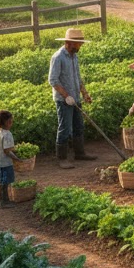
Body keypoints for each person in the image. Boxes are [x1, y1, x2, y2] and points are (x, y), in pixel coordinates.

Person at [48, 27, 96, 169]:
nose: (80, 46)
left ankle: (79, 153)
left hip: (76, 98)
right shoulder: (58, 57)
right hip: (64, 100)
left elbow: (77, 78)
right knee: (64, 128)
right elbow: (53, 80)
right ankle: (62, 158)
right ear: (69, 42)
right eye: (78, 43)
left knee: (78, 126)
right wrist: (66, 96)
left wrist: (85, 93)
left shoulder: (74, 57)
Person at [0, 109, 20, 207]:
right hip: (5, 162)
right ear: (5, 122)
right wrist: (16, 158)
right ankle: (3, 202)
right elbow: (7, 151)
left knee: (3, 181)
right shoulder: (7, 134)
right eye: (10, 122)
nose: (11, 124)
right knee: (5, 181)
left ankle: (4, 200)